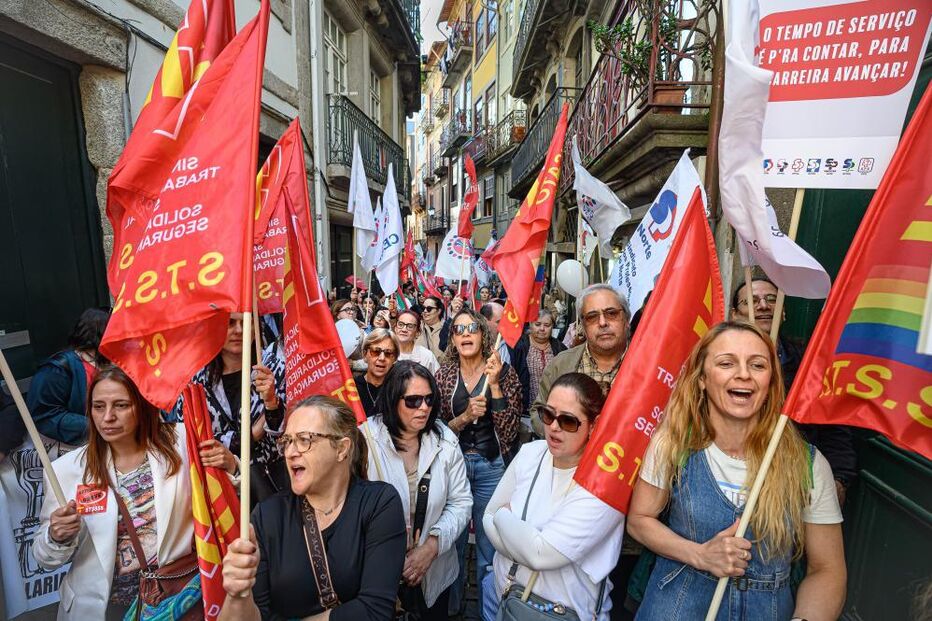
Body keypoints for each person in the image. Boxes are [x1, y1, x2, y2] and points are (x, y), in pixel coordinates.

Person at [628, 321, 846, 620]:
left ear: (771, 381)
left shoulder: (807, 464)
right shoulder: (672, 445)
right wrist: (699, 554)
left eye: (757, 365)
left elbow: (827, 569)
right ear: (702, 378)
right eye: (727, 363)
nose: (743, 374)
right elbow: (639, 520)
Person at [34, 366, 237, 620]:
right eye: (98, 407)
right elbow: (44, 558)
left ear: (142, 406)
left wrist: (231, 465)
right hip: (104, 608)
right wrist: (56, 536)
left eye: (120, 405)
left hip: (175, 598)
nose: (108, 417)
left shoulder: (181, 441)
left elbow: (226, 496)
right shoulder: (65, 470)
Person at [218, 396, 407, 621]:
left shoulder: (379, 503)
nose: (290, 452)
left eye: (304, 439)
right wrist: (237, 594)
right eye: (287, 441)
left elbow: (374, 611)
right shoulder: (267, 516)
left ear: (341, 449)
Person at [483, 373, 624, 621]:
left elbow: (540, 554)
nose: (554, 427)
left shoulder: (605, 483)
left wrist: (504, 516)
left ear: (594, 424)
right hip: (502, 599)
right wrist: (525, 545)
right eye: (548, 415)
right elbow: (486, 517)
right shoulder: (531, 453)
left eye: (568, 421)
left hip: (563, 612)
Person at [732, 277, 857, 503]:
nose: (763, 306)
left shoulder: (809, 365)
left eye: (772, 300)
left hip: (794, 483)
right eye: (751, 301)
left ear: (783, 313)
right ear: (734, 315)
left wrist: (839, 478)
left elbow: (833, 425)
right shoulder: (718, 364)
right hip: (732, 477)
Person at [364, 362, 472, 619]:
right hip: (376, 578)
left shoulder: (445, 441)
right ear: (393, 400)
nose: (424, 407)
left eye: (429, 399)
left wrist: (431, 547)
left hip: (434, 574)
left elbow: (461, 502)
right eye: (413, 400)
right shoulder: (365, 440)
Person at [435, 307, 523, 616]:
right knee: (452, 547)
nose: (465, 333)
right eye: (458, 329)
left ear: (483, 334)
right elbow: (434, 430)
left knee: (490, 548)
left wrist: (495, 385)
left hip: (491, 467)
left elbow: (511, 430)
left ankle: (489, 612)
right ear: (453, 339)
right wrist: (464, 417)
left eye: (472, 327)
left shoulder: (503, 372)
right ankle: (454, 611)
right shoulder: (444, 375)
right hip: (453, 470)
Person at [180, 313, 286, 504]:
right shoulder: (194, 381)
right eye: (229, 323)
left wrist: (271, 401)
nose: (238, 330)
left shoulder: (272, 369)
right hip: (217, 492)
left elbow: (283, 435)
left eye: (245, 322)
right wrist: (250, 436)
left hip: (267, 487)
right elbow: (192, 438)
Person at [534, 284, 630, 436]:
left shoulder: (650, 365)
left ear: (626, 319)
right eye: (592, 317)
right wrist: (562, 435)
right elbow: (538, 412)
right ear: (583, 326)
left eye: (611, 313)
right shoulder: (560, 364)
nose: (603, 322)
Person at [28, 307, 110, 445]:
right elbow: (45, 416)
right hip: (80, 448)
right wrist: (96, 425)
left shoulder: (111, 363)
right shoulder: (58, 370)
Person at [509, 309, 567, 439]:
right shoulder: (519, 346)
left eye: (547, 325)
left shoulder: (560, 348)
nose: (542, 329)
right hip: (524, 413)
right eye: (538, 324)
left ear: (552, 327)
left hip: (552, 413)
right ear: (530, 325)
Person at [354, 328, 400, 417]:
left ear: (395, 358)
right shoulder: (352, 388)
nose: (382, 358)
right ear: (364, 354)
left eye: (388, 353)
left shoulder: (400, 389)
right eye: (375, 351)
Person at [416, 296, 451, 361]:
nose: (425, 311)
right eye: (423, 308)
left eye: (429, 309)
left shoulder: (447, 329)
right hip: (418, 370)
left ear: (438, 311)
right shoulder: (417, 325)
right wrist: (393, 317)